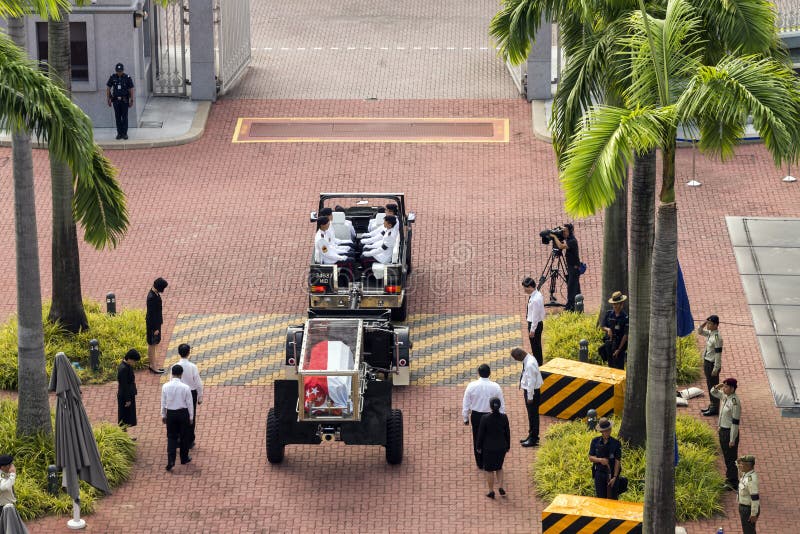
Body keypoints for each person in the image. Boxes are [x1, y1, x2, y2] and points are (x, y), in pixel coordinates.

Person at [462, 364, 505, 468]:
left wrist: (465, 417)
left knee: (477, 438)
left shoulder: (471, 386)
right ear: (490, 373)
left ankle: (480, 463)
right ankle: (489, 461)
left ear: (479, 373)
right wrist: (502, 417)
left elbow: (466, 403)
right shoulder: (496, 386)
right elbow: (501, 404)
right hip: (491, 415)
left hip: (476, 416)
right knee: (490, 437)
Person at [161, 364, 194, 471]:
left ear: (172, 373)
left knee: (171, 437)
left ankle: (171, 460)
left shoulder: (165, 386)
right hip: (183, 413)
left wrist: (163, 415)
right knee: (184, 436)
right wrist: (191, 417)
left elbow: (163, 402)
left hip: (171, 414)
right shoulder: (185, 387)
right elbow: (190, 404)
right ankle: (184, 458)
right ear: (181, 374)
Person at [475, 397, 510, 499]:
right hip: (501, 447)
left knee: (489, 470)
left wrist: (478, 446)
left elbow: (480, 434)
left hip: (488, 448)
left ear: (490, 406)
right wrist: (508, 445)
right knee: (499, 467)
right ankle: (501, 487)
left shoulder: (485, 418)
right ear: (499, 406)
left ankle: (491, 491)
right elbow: (507, 433)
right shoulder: (504, 417)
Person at [711, 378, 741, 489]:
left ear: (732, 388)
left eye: (726, 386)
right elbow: (713, 392)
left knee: (731, 458)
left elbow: (735, 422)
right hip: (723, 430)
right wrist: (718, 386)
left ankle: (733, 482)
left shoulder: (735, 402)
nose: (724, 388)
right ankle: (729, 479)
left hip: (729, 433)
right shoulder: (724, 396)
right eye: (724, 386)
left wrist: (732, 439)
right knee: (727, 457)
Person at [174, 343, 204, 450]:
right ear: (188, 353)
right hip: (191, 393)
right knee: (191, 415)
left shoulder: (175, 366)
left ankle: (178, 438)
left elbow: (171, 381)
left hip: (178, 393)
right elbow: (198, 383)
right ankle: (190, 440)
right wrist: (200, 396)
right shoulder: (192, 367)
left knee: (178, 413)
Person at [511, 347, 542, 447]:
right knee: (531, 415)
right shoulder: (528, 359)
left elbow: (531, 382)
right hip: (531, 391)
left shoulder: (529, 364)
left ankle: (533, 439)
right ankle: (531, 435)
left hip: (532, 393)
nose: (516, 360)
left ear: (520, 355)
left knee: (533, 415)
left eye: (516, 358)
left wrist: (530, 397)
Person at [588, 418, 622, 499]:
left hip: (612, 475)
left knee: (613, 499)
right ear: (601, 431)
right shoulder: (595, 441)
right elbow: (590, 457)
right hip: (599, 474)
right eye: (605, 430)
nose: (607, 432)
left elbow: (618, 461)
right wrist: (600, 460)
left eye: (609, 430)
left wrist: (615, 477)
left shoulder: (616, 443)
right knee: (600, 499)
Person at [550, 223, 581, 311]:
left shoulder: (572, 241)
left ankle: (570, 307)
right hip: (571, 267)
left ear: (570, 232)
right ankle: (578, 304)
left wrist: (554, 237)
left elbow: (560, 246)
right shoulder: (568, 238)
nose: (563, 233)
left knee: (571, 287)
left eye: (565, 231)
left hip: (574, 268)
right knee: (575, 287)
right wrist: (558, 230)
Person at [698, 315, 723, 416]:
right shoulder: (710, 333)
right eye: (707, 323)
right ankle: (712, 405)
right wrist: (704, 322)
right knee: (709, 385)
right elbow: (700, 331)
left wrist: (716, 368)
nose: (708, 325)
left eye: (710, 324)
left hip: (712, 364)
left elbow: (718, 354)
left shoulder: (717, 338)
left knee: (713, 386)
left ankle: (715, 408)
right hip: (707, 362)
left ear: (716, 325)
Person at [599, 291, 629, 369]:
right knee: (610, 367)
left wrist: (619, 349)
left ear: (621, 304)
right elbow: (602, 326)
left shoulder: (625, 318)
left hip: (619, 346)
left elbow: (625, 335)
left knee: (619, 369)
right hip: (609, 344)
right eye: (613, 304)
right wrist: (608, 329)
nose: (614, 306)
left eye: (616, 304)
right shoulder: (609, 314)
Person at [106, 62, 135, 140]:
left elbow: (131, 89)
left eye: (120, 71)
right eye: (118, 71)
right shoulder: (113, 77)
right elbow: (108, 87)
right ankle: (119, 133)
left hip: (124, 101)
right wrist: (108, 98)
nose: (119, 72)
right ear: (116, 70)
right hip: (116, 101)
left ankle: (125, 133)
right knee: (117, 117)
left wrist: (132, 99)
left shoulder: (127, 77)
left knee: (124, 117)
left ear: (123, 70)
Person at [146, 277, 169, 374]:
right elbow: (152, 315)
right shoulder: (152, 298)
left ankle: (153, 364)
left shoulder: (155, 293)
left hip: (156, 323)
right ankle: (153, 366)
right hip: (153, 325)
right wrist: (155, 328)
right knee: (152, 344)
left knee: (154, 344)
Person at [522, 277, 545, 366]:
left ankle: (538, 364)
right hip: (538, 323)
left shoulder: (535, 300)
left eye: (525, 288)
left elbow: (535, 317)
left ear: (531, 287)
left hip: (535, 325)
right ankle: (538, 362)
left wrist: (532, 330)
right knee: (537, 345)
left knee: (535, 346)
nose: (524, 290)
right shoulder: (537, 294)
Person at [117, 349, 140, 431]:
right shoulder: (123, 369)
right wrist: (127, 399)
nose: (134, 363)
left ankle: (125, 436)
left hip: (128, 394)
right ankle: (123, 437)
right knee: (124, 417)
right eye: (134, 361)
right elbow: (124, 386)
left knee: (127, 416)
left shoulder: (127, 366)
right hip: (125, 396)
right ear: (129, 359)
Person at [737, 455, 760, 534]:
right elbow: (739, 470)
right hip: (743, 507)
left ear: (748, 466)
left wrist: (753, 514)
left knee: (748, 531)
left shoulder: (751, 480)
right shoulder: (746, 473)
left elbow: (755, 498)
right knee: (747, 530)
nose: (741, 466)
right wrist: (737, 462)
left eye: (742, 465)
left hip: (748, 509)